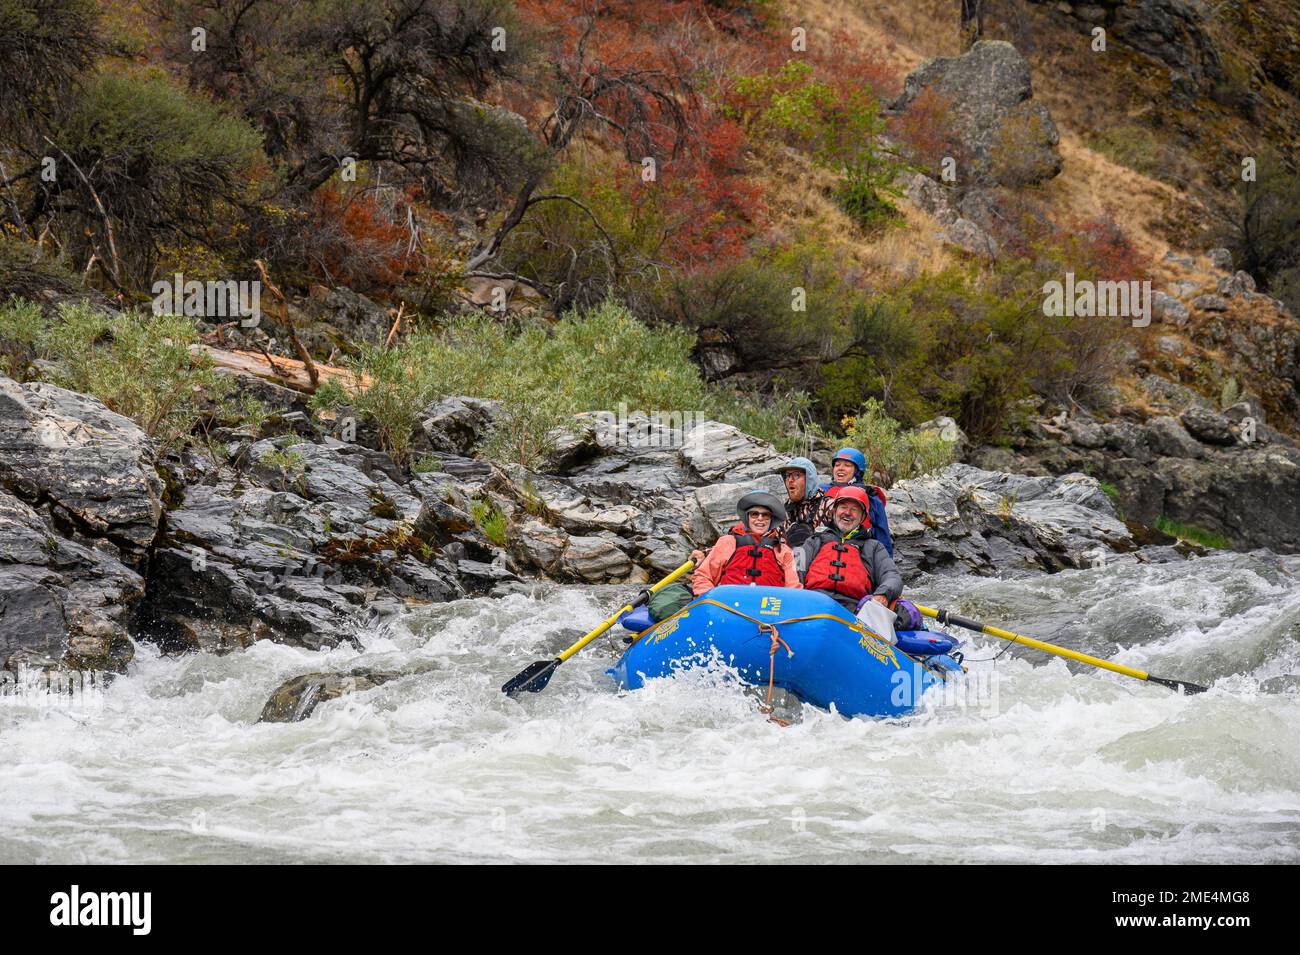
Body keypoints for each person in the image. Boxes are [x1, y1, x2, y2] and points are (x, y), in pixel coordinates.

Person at [653, 491, 800, 621]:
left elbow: (794, 589)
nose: (760, 519)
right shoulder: (727, 542)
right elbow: (703, 576)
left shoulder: (783, 551)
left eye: (765, 515)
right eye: (754, 514)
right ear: (747, 518)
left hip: (767, 616)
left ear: (771, 519)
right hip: (727, 611)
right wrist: (711, 604)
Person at [798, 486, 901, 613]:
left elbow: (892, 577)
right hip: (812, 605)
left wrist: (884, 593)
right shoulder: (814, 541)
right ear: (834, 511)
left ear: (863, 517)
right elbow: (794, 572)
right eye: (843, 507)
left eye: (854, 509)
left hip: (854, 611)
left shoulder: (874, 547)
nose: (847, 513)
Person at [821, 447, 894, 556]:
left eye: (847, 465)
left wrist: (887, 563)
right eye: (837, 465)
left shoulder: (871, 497)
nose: (840, 468)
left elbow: (882, 534)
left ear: (857, 471)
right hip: (824, 549)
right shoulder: (821, 491)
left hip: (859, 552)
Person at [775, 456, 834, 548]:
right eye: (787, 475)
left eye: (796, 475)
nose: (790, 480)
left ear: (809, 479)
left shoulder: (829, 507)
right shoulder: (783, 512)